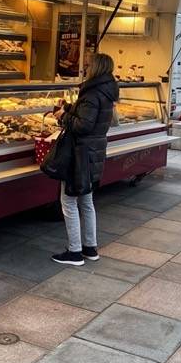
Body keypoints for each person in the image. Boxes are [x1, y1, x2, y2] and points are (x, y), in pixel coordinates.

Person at [51, 53, 119, 266]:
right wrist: (70, 108)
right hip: (94, 152)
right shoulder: (106, 91)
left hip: (80, 153)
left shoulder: (91, 93)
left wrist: (62, 116)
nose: (86, 68)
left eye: (89, 65)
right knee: (87, 202)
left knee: (69, 201)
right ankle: (90, 248)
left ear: (95, 68)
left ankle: (74, 252)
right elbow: (91, 116)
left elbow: (83, 126)